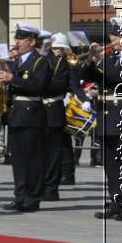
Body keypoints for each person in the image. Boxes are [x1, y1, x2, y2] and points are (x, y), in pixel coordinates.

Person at [0, 22, 51, 213]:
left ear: (32, 41)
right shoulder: (17, 61)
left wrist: (13, 79)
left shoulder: (40, 61)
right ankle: (20, 195)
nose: (17, 42)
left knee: (32, 159)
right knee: (18, 159)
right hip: (16, 113)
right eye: (17, 38)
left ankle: (33, 197)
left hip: (31, 112)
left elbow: (39, 86)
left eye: (21, 39)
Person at [87, 17, 122, 220]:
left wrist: (100, 62)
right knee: (112, 166)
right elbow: (88, 76)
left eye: (119, 35)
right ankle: (116, 203)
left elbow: (121, 77)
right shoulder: (108, 59)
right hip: (108, 119)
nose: (114, 38)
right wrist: (91, 61)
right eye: (113, 35)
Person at [43, 33, 79, 199]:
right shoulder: (49, 61)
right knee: (54, 147)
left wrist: (81, 99)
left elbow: (73, 85)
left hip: (62, 105)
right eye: (55, 48)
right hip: (50, 107)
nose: (57, 51)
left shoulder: (66, 64)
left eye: (60, 48)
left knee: (61, 146)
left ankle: (65, 175)